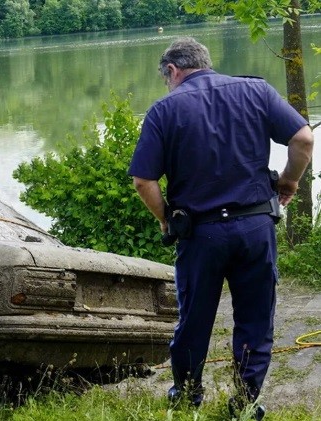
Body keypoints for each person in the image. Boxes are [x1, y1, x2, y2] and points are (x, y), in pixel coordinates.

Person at [128, 38, 313, 418]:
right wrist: (290, 182)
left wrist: (166, 219)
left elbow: (144, 181)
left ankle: (187, 398)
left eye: (167, 78)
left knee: (194, 319)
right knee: (256, 319)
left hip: (201, 233)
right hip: (255, 228)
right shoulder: (257, 90)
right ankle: (244, 406)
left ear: (173, 71)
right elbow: (303, 138)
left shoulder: (164, 110)